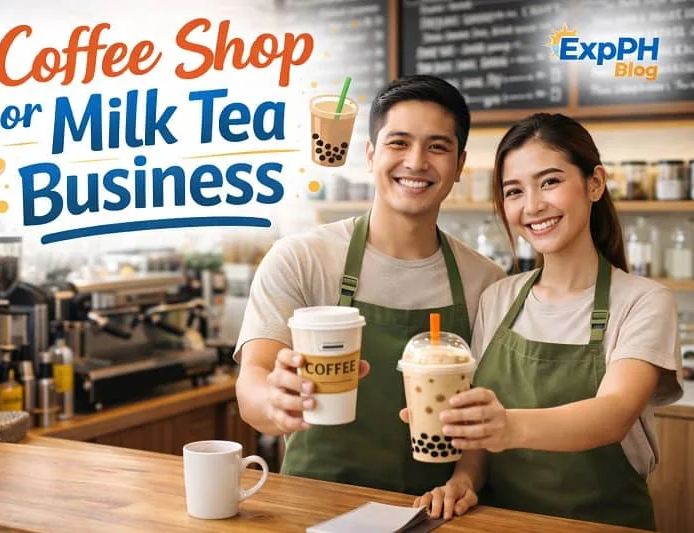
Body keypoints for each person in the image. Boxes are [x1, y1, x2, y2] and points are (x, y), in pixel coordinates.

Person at [407, 113, 683, 529]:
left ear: (594, 183)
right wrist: (464, 479)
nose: (532, 206)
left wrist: (507, 426)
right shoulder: (498, 297)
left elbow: (613, 414)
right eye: (514, 191)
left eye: (550, 181)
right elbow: (483, 433)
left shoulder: (644, 301)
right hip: (499, 523)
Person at [234, 75, 505, 495]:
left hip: (436, 514)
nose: (416, 162)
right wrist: (274, 402)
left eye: (437, 146)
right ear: (370, 154)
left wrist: (465, 481)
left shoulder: (487, 283)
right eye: (398, 143)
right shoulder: (301, 259)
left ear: (459, 165)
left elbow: (487, 416)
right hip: (314, 508)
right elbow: (253, 380)